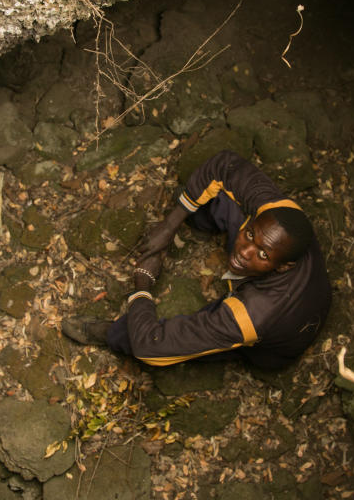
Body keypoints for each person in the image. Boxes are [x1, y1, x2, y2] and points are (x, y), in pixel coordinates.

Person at [62, 149, 332, 370]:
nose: (244, 251)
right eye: (249, 234)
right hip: (303, 291)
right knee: (220, 199)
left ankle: (111, 335)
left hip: (272, 343)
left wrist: (142, 286)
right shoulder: (278, 214)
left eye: (262, 254)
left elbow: (150, 346)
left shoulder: (254, 314)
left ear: (284, 265)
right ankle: (199, 219)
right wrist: (170, 225)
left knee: (174, 339)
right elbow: (225, 164)